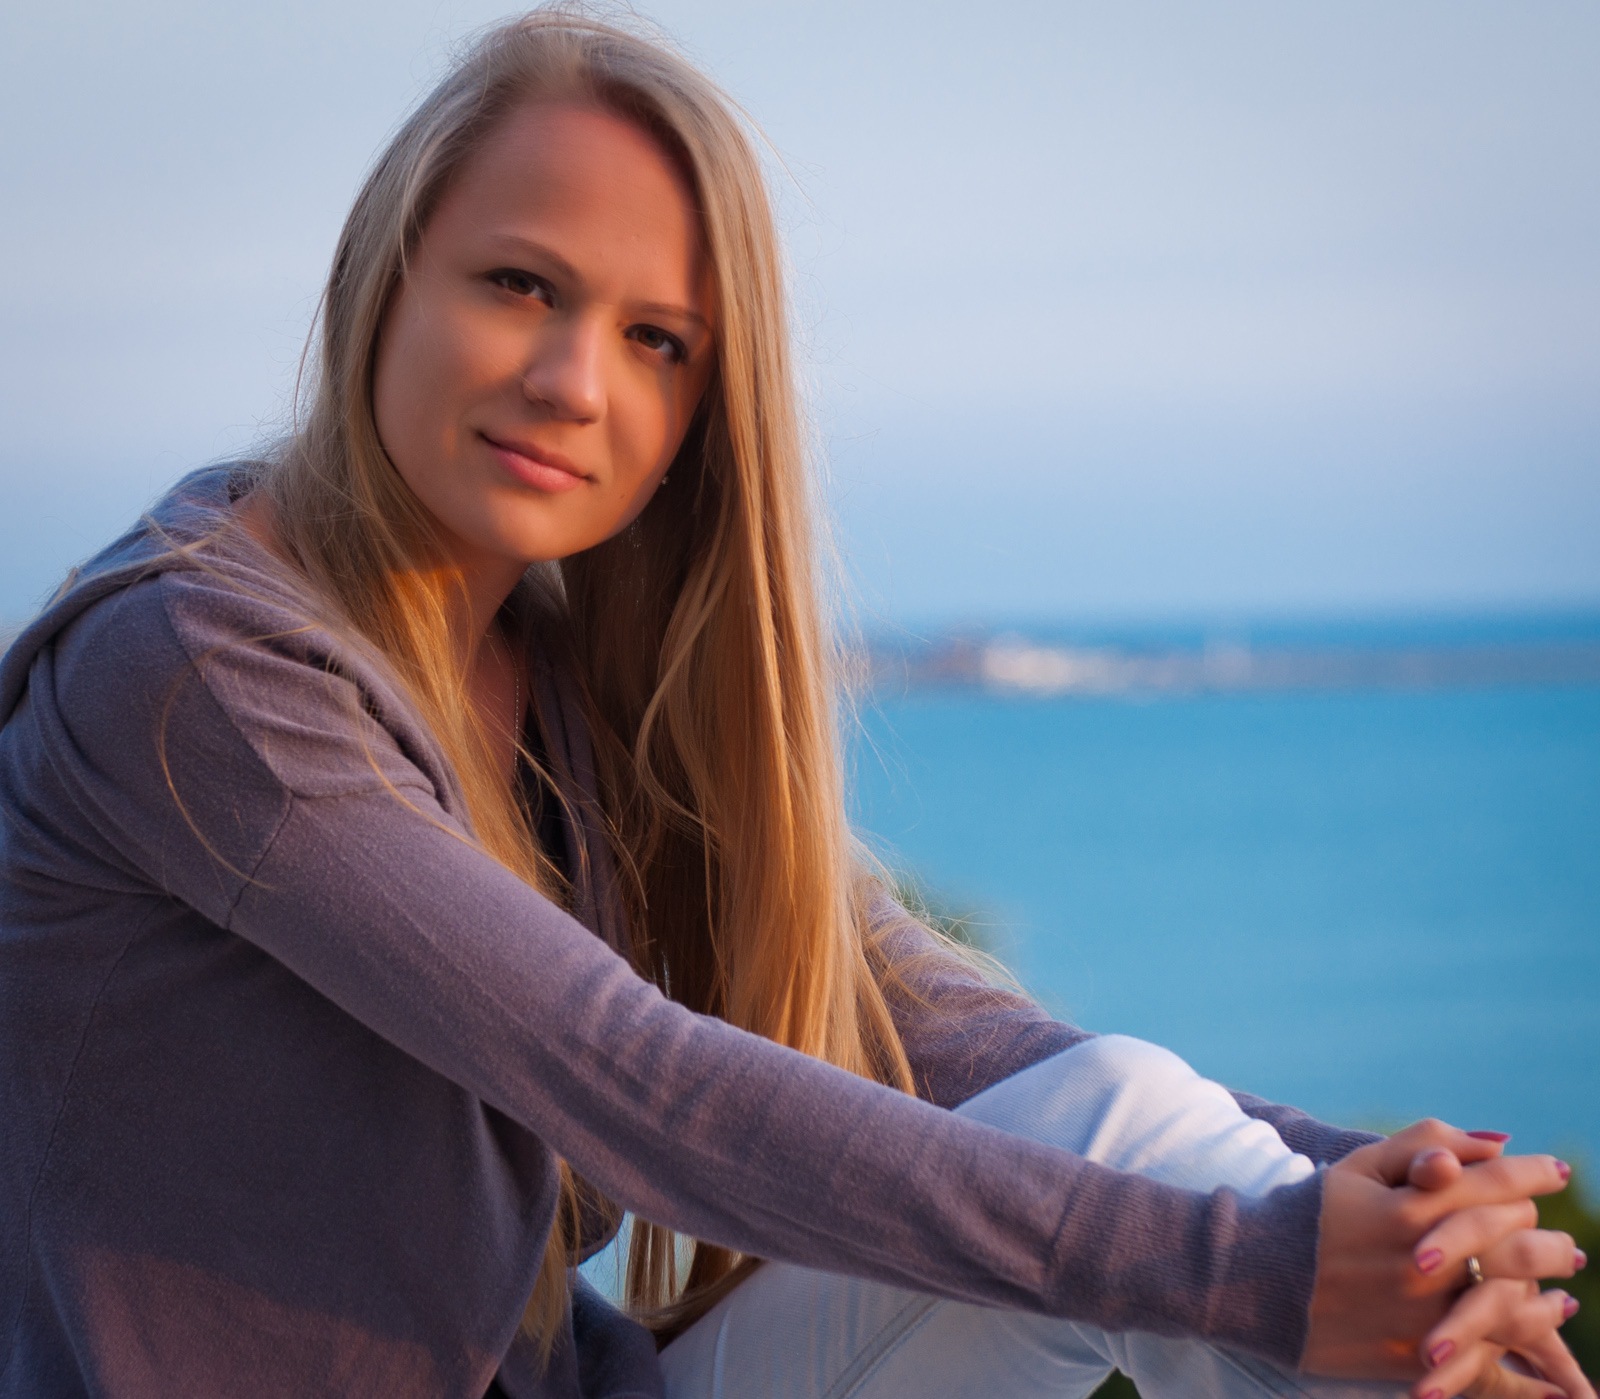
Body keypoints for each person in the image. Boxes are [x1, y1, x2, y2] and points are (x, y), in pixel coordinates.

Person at [0, 9, 1588, 1399]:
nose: (573, 381)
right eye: (519, 284)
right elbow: (631, 1082)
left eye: (655, 341)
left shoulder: (558, 677)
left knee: (1122, 1118)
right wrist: (1264, 1266)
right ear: (385, 277)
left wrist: (1380, 1201)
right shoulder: (195, 667)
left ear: (704, 408)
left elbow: (934, 1024)